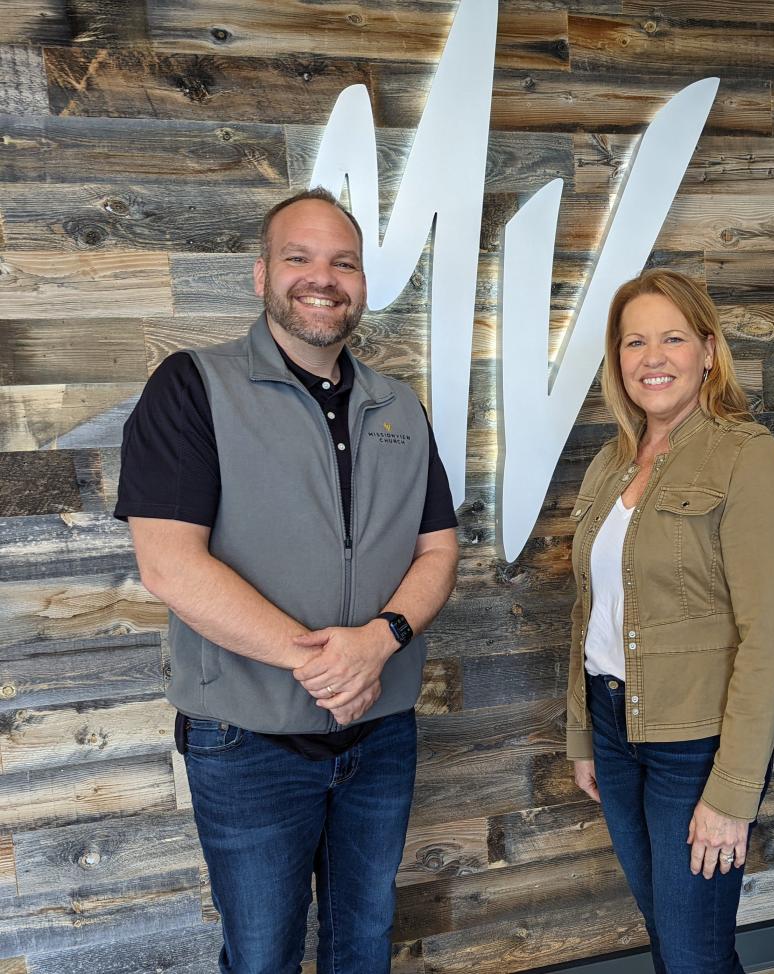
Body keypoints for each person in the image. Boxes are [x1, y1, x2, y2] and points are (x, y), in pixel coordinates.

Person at [116, 188, 459, 973]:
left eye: (343, 262)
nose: (323, 277)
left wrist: (381, 641)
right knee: (263, 955)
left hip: (380, 737)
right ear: (261, 273)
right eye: (299, 257)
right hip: (246, 744)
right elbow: (169, 563)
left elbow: (438, 550)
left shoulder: (398, 403)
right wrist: (325, 664)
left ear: (363, 283)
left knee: (364, 944)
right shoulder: (193, 387)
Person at [565, 269, 774, 973]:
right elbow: (588, 611)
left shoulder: (744, 455)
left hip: (694, 744)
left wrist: (732, 792)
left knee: (694, 950)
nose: (652, 356)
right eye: (635, 341)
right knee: (669, 934)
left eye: (671, 337)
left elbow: (767, 639)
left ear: (706, 349)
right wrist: (582, 733)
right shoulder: (610, 463)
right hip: (614, 727)